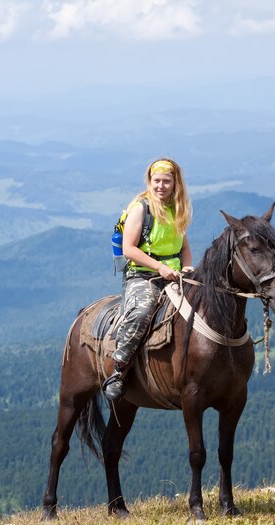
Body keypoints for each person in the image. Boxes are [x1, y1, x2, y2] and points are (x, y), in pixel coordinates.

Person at [102, 157, 193, 401]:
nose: (161, 186)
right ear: (149, 182)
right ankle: (119, 370)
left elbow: (184, 248)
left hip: (174, 275)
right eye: (157, 181)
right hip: (142, 276)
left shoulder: (177, 209)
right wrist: (159, 268)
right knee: (143, 312)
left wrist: (188, 267)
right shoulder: (141, 208)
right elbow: (130, 249)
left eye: (166, 181)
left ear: (176, 184)